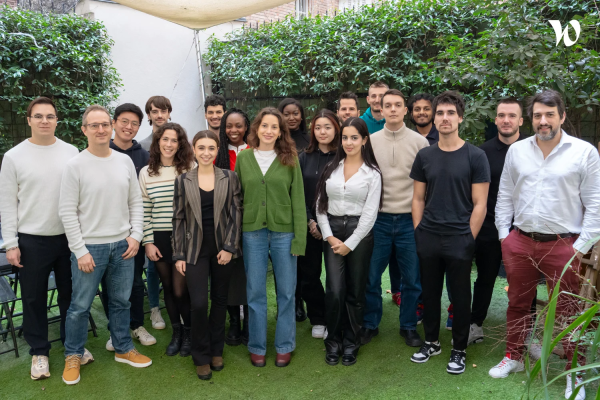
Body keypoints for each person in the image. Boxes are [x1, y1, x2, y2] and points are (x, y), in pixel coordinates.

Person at [489, 90, 600, 400]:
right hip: (520, 241)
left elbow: (595, 203)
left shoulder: (584, 152)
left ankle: (574, 372)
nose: (543, 121)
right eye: (538, 115)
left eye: (550, 114)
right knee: (517, 303)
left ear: (562, 116)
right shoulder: (517, 151)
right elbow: (505, 195)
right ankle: (514, 356)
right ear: (531, 118)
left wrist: (580, 247)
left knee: (568, 310)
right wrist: (504, 235)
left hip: (565, 245)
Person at [0, 97, 92, 380]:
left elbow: (81, 196)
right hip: (31, 240)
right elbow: (7, 203)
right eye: (38, 116)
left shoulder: (71, 152)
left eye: (50, 116)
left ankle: (72, 346)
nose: (44, 121)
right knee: (33, 298)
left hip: (69, 238)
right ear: (29, 120)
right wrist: (11, 243)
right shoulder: (13, 156)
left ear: (56, 121)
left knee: (70, 295)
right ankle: (39, 352)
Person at [60, 105, 151, 385]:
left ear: (111, 126)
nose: (100, 130)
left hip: (123, 245)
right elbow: (67, 211)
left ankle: (123, 347)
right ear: (84, 129)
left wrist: (136, 235)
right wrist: (80, 250)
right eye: (94, 125)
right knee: (80, 306)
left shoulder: (124, 161)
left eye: (104, 124)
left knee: (121, 302)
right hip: (90, 248)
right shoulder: (75, 165)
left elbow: (135, 201)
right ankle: (73, 354)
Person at [409, 91, 490, 375]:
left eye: (450, 113)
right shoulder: (424, 155)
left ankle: (459, 349)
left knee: (460, 297)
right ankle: (431, 342)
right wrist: (419, 231)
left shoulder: (475, 156)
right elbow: (418, 198)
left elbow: (480, 204)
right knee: (429, 293)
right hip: (429, 236)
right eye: (440, 113)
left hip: (460, 238)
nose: (445, 118)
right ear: (434, 118)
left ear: (460, 118)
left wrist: (469, 238)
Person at [234, 108, 307, 368]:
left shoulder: (290, 158)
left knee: (286, 291)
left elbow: (298, 199)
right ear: (256, 128)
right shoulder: (244, 158)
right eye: (265, 125)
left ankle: (284, 345)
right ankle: (257, 346)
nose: (268, 131)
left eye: (274, 127)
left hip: (284, 233)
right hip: (252, 232)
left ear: (280, 132)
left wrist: (299, 239)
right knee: (255, 292)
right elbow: (237, 198)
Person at [172, 130, 242, 380]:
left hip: (222, 249)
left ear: (217, 150)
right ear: (194, 149)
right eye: (201, 148)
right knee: (199, 303)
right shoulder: (183, 180)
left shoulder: (230, 177)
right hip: (194, 250)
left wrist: (230, 247)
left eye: (211, 148)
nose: (206, 153)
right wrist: (179, 254)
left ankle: (216, 350)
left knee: (220, 301)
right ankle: (200, 356)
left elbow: (236, 213)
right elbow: (178, 218)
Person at [362, 89, 429, 348]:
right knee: (371, 277)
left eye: (397, 105)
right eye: (387, 105)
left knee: (412, 279)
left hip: (408, 220)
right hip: (377, 220)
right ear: (380, 109)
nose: (392, 109)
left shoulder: (420, 143)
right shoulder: (369, 142)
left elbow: (426, 185)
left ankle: (408, 326)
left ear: (405, 110)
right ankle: (370, 324)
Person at [315, 117, 382, 366]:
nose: (349, 142)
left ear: (364, 140)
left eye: (354, 137)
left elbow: (370, 215)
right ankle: (333, 341)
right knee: (334, 290)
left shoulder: (372, 174)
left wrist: (350, 243)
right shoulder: (330, 168)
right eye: (345, 138)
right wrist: (329, 235)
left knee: (355, 291)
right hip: (332, 231)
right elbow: (320, 206)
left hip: (359, 234)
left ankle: (351, 342)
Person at [101, 103, 158, 352]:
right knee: (109, 284)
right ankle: (115, 331)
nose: (129, 127)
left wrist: (139, 233)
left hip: (134, 232)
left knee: (134, 282)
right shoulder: (100, 152)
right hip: (103, 232)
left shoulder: (145, 157)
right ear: (114, 123)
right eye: (124, 121)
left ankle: (137, 325)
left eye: (134, 123)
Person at [469, 98, 524, 345]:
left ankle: (526, 331)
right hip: (489, 227)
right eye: (501, 115)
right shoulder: (482, 153)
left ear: (520, 120)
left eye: (511, 116)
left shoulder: (532, 150)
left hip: (524, 229)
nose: (506, 120)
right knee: (485, 278)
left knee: (524, 282)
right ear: (495, 120)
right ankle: (475, 324)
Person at [140, 122, 195, 356]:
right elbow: (144, 210)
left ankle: (190, 333)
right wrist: (148, 242)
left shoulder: (190, 168)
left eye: (174, 140)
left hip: (185, 237)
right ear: (158, 142)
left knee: (181, 290)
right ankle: (177, 333)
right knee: (169, 289)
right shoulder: (146, 172)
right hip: (159, 238)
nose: (169, 144)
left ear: (180, 144)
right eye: (165, 139)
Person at [298, 109, 339, 339]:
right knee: (310, 275)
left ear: (336, 129)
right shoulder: (303, 157)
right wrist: (310, 221)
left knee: (336, 278)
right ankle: (318, 318)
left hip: (336, 226)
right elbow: (296, 193)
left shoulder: (344, 157)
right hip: (309, 227)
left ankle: (335, 318)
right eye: (318, 127)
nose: (322, 132)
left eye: (328, 127)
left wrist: (326, 225)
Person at [215, 108, 251, 347]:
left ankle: (248, 321)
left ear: (246, 127)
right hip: (224, 223)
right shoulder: (217, 153)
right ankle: (234, 322)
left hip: (250, 222)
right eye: (229, 126)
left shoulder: (254, 151)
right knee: (228, 273)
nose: (233, 130)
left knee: (248, 273)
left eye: (238, 125)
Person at [138, 95, 171, 327]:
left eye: (163, 111)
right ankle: (154, 308)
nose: (159, 115)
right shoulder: (142, 146)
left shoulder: (180, 140)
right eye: (155, 111)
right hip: (153, 217)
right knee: (152, 267)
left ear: (169, 113)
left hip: (176, 220)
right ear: (149, 115)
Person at [278, 98, 310, 321]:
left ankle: (307, 300)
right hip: (283, 207)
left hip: (307, 201)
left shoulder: (309, 140)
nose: (291, 118)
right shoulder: (276, 141)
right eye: (286, 113)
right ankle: (295, 302)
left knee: (306, 262)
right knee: (289, 262)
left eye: (295, 113)